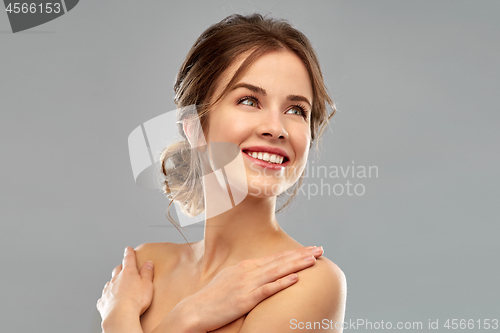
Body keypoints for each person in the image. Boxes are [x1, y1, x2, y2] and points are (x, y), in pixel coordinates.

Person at [97, 13, 347, 333]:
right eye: (249, 100)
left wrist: (122, 318)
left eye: (296, 110)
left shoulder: (307, 283)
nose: (276, 128)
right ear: (194, 128)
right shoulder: (148, 265)